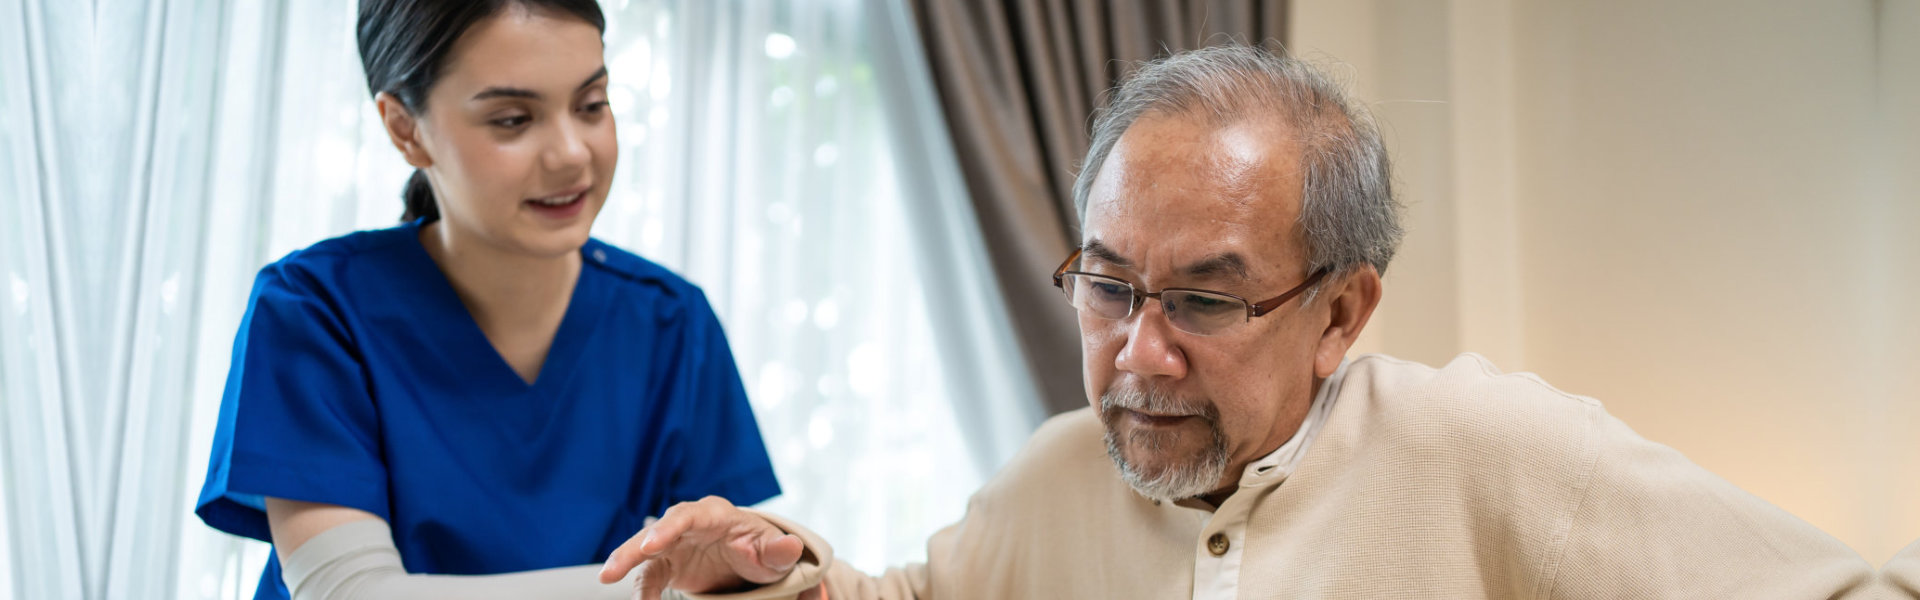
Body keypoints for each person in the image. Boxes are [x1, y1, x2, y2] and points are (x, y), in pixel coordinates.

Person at [596, 45, 1887, 599]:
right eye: (1108, 285)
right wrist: (759, 567)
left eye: (1206, 299)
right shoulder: (1055, 482)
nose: (1137, 356)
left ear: (1343, 311)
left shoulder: (1479, 447)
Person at [193, 1, 794, 598]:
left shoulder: (671, 322)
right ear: (405, 128)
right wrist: (669, 589)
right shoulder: (316, 308)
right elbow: (350, 593)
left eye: (591, 105)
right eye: (512, 119)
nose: (571, 154)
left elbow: (725, 572)